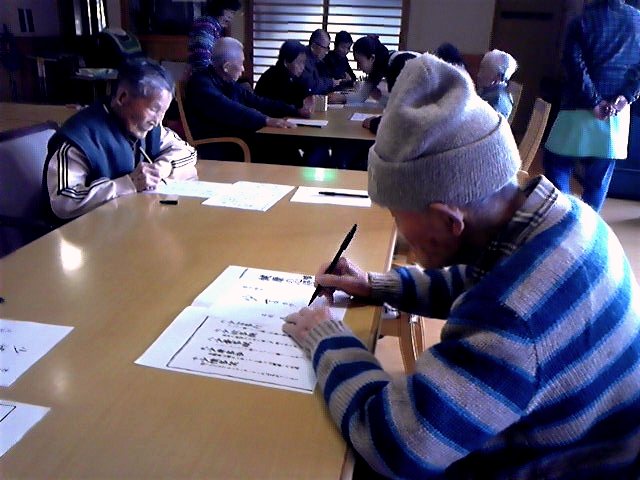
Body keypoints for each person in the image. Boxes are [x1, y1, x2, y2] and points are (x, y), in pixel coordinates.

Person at [282, 53, 640, 478]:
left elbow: (396, 446)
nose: (396, 227)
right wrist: (379, 285)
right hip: (586, 441)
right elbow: (477, 280)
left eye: (396, 215)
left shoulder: (510, 318)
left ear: (449, 220)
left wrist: (325, 336)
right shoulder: (567, 216)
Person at [44, 58, 197, 221]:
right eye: (154, 109)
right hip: (84, 230)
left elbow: (188, 151)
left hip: (128, 221)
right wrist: (127, 184)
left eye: (163, 112)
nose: (158, 120)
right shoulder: (80, 138)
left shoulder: (149, 128)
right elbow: (63, 201)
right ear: (122, 97)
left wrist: (163, 167)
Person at [543, 0, 640, 212]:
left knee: (556, 163)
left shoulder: (582, 20)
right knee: (598, 178)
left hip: (577, 107)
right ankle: (588, 223)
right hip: (616, 114)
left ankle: (563, 215)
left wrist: (594, 101)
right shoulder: (638, 20)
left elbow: (574, 64)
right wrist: (626, 96)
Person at [185, 37, 311, 163]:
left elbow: (257, 101)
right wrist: (266, 120)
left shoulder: (227, 82)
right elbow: (231, 109)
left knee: (286, 145)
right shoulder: (201, 84)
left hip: (237, 137)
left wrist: (295, 110)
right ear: (226, 67)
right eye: (241, 64)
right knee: (281, 149)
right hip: (221, 145)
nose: (243, 69)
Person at [332, 35, 418, 134]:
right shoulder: (380, 65)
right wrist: (341, 98)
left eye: (359, 62)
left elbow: (400, 115)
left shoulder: (398, 64)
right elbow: (361, 96)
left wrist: (373, 123)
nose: (358, 67)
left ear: (372, 58)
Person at [254, 40, 312, 109]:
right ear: (286, 62)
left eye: (303, 62)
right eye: (299, 62)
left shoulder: (293, 76)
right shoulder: (273, 78)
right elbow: (281, 107)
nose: (302, 67)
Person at [188, 0, 242, 72]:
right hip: (204, 74)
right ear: (220, 9)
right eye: (231, 12)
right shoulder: (206, 25)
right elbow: (202, 58)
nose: (231, 17)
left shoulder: (212, 25)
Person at [476, 48, 518, 118]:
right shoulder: (489, 89)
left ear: (497, 77)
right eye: (480, 69)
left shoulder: (496, 101)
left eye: (484, 71)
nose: (478, 75)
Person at [299, 29, 341, 95]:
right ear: (313, 46)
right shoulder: (302, 59)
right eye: (325, 48)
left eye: (328, 48)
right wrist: (331, 83)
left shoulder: (316, 59)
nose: (326, 52)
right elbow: (310, 87)